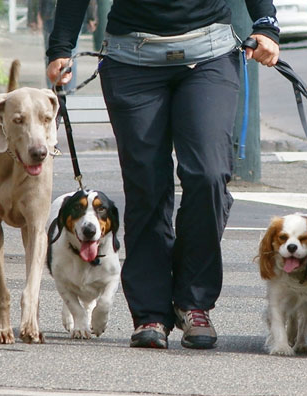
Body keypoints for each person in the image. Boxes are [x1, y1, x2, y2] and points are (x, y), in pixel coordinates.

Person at [46, 1, 280, 350]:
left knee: (208, 174)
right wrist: (61, 46)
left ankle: (193, 303)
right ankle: (150, 312)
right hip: (131, 59)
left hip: (209, 55)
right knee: (147, 185)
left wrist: (265, 24)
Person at [28, 0, 97, 90]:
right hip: (53, 14)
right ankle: (58, 89)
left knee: (58, 54)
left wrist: (91, 16)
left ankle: (60, 89)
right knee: (58, 54)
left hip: (63, 13)